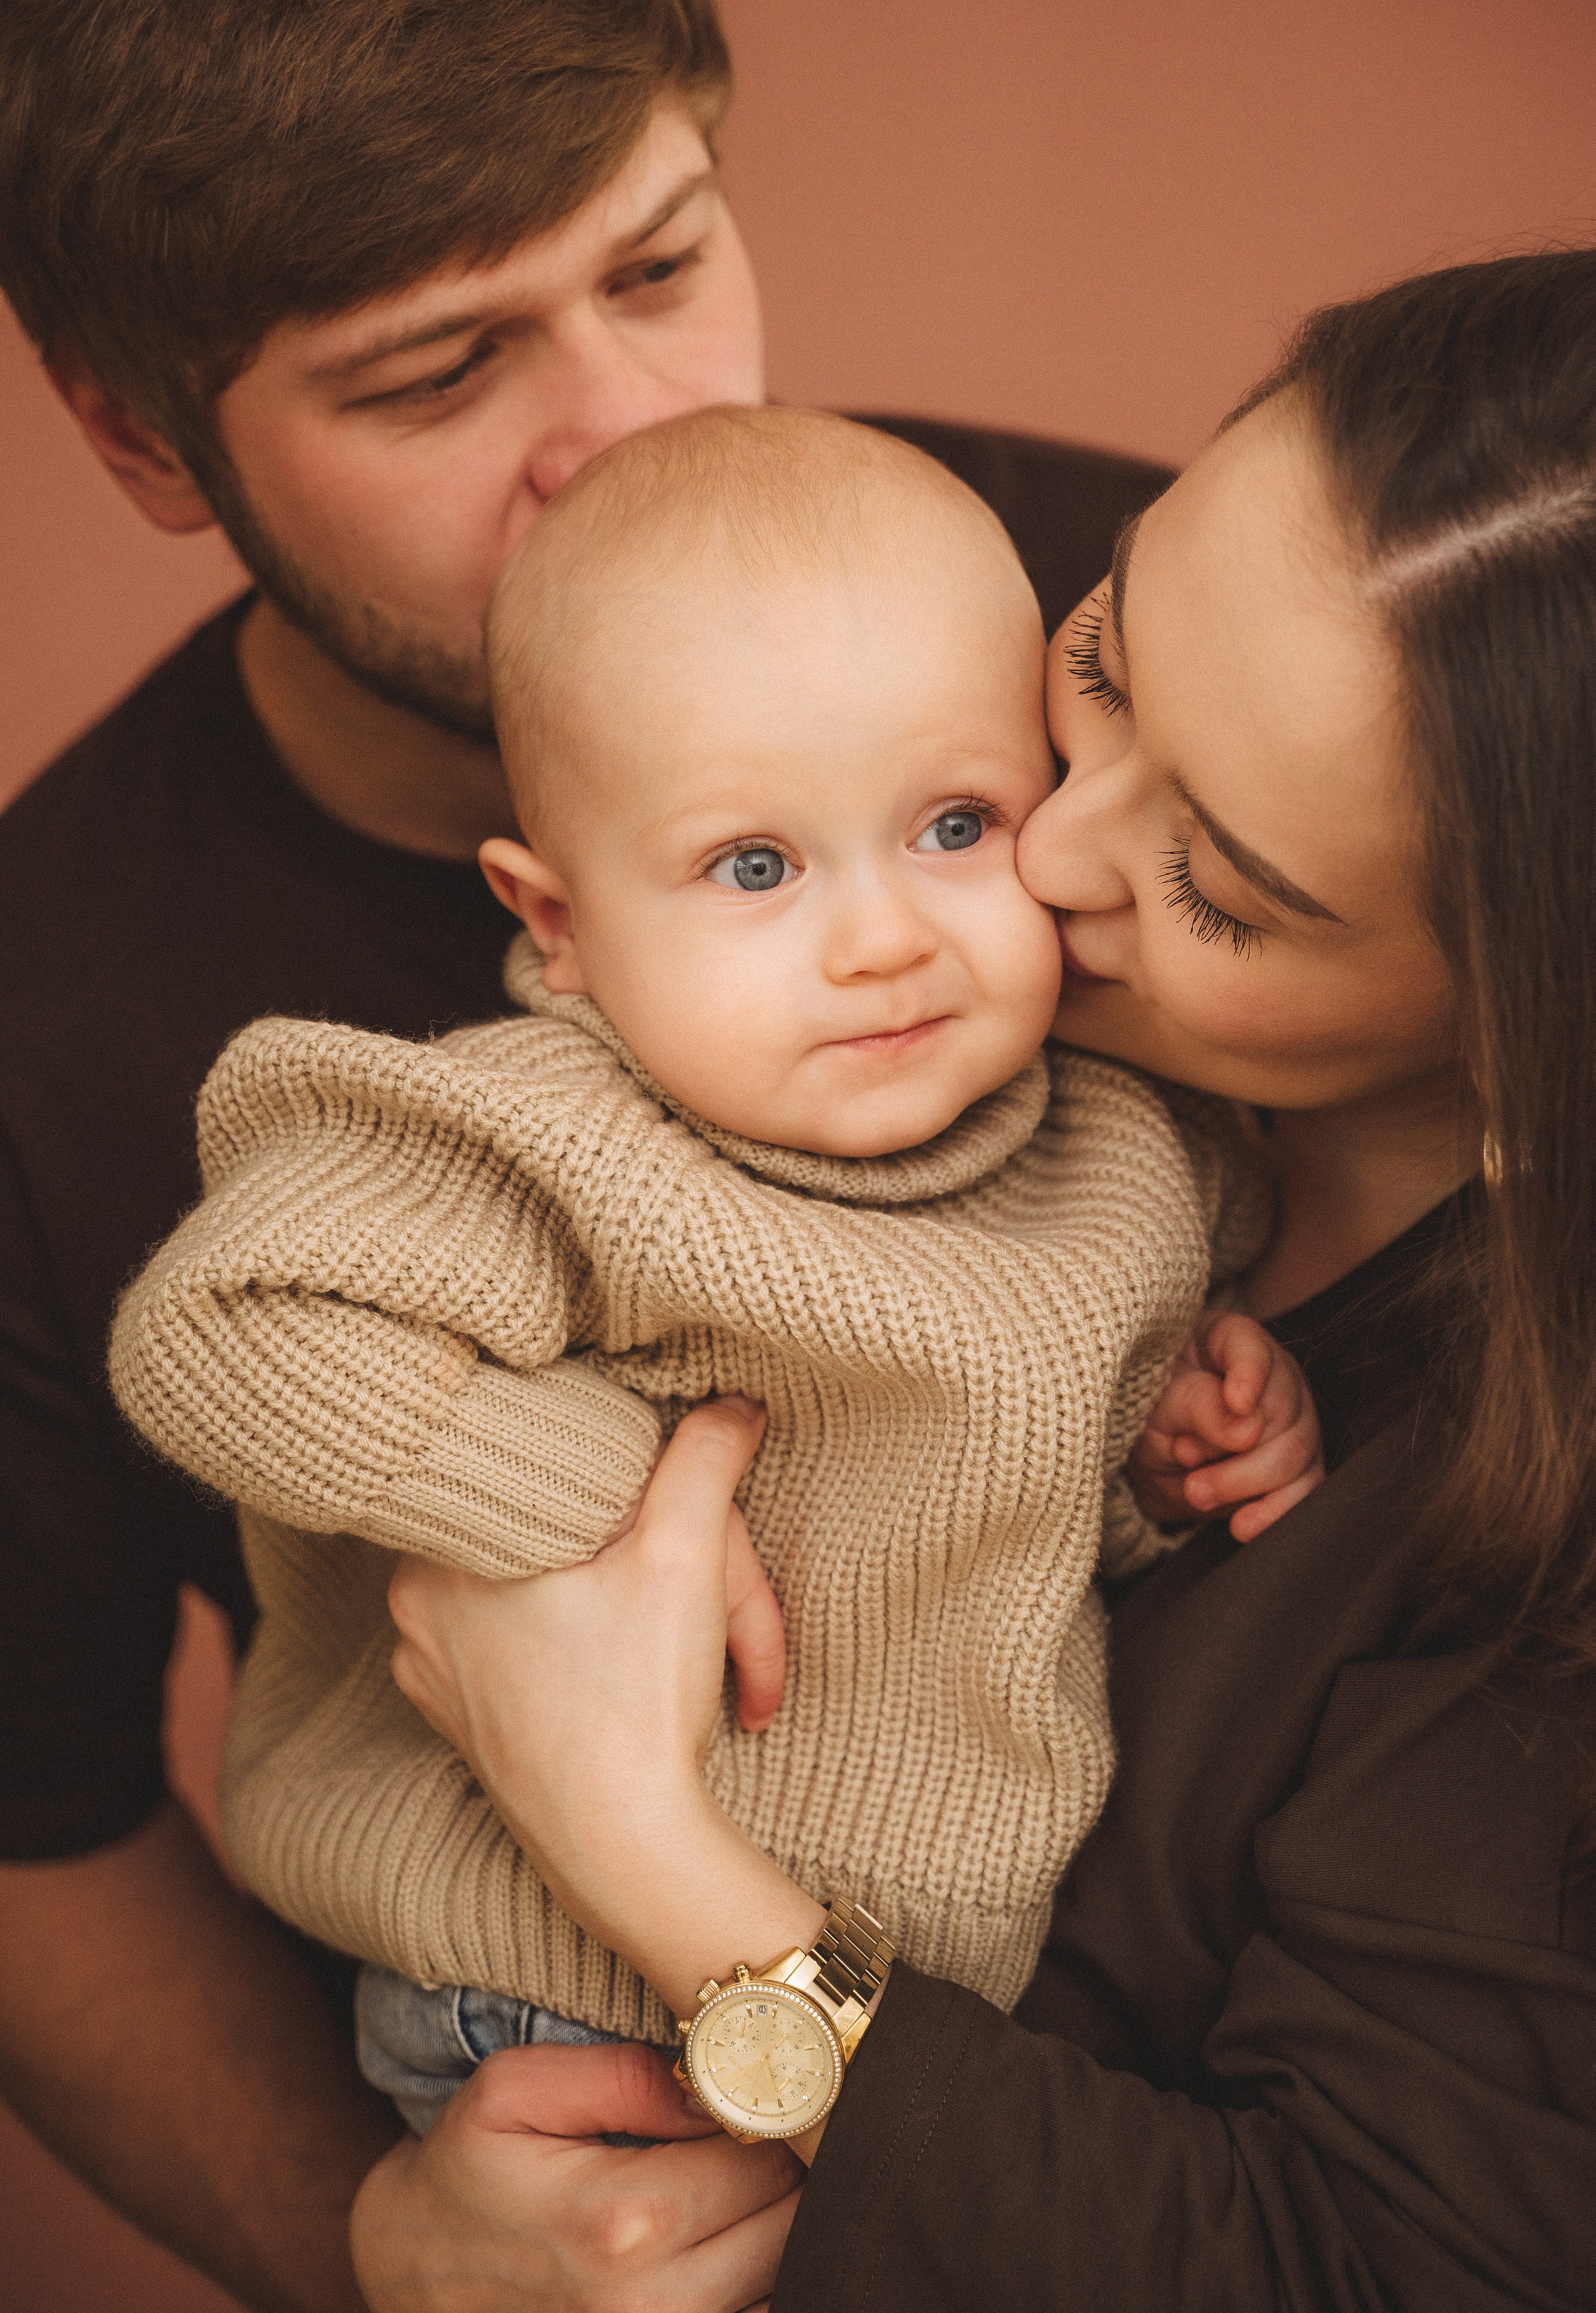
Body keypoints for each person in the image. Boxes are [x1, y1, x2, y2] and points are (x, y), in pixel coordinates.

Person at [0, 0, 1170, 2302]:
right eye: (438, 373)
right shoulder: (53, 996)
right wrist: (375, 2251)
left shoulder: (1148, 638)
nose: (630, 428)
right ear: (142, 435)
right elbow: (31, 1821)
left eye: (663, 260)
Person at [353, 251, 1596, 2310]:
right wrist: (397, 2233)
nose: (1034, 853)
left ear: (1526, 1030)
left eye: (1217, 880)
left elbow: (1341, 2268)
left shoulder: (1527, 1555)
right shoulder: (891, 1000)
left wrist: (643, 1846)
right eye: (1103, 656)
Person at [107, 404, 1322, 2139]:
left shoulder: (1122, 1162)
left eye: (957, 823)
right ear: (562, 927)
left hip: (923, 2018)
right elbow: (221, 1328)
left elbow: (1026, 1525)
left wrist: (1171, 1457)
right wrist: (607, 1498)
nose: (883, 932)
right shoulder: (565, 1137)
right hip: (545, 1985)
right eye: (755, 865)